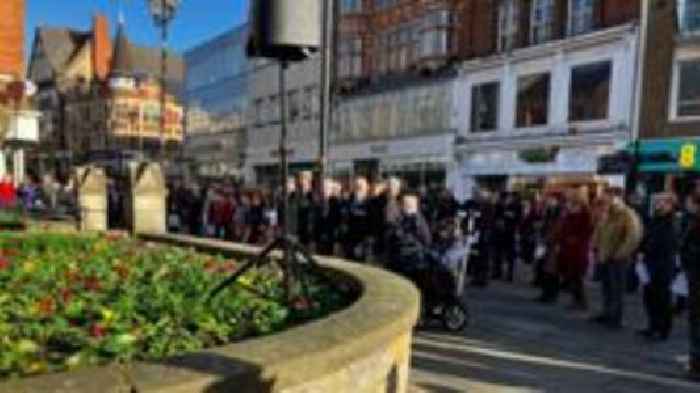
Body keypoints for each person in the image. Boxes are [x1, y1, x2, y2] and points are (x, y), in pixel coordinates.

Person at [591, 188, 643, 329]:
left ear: (617, 197)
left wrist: (621, 253)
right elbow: (599, 230)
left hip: (618, 258)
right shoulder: (607, 213)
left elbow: (634, 236)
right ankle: (607, 313)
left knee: (617, 289)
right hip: (604, 256)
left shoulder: (627, 214)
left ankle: (615, 318)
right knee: (606, 287)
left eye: (608, 197)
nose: (605, 200)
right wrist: (595, 245)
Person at [638, 192, 679, 342]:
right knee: (649, 297)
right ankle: (652, 325)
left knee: (662, 299)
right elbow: (647, 238)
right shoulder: (655, 219)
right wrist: (641, 250)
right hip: (649, 264)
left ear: (670, 205)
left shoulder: (671, 222)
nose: (657, 204)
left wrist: (648, 251)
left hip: (662, 266)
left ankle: (663, 329)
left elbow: (667, 246)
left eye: (661, 202)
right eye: (657, 202)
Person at [555, 188, 594, 310]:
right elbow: (564, 227)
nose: (569, 198)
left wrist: (575, 238)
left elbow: (587, 230)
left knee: (577, 276)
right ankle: (576, 299)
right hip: (567, 247)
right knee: (571, 275)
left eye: (571, 196)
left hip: (578, 248)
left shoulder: (585, 212)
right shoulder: (569, 211)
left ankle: (581, 301)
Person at [387, 193, 432, 278]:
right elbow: (391, 237)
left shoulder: (420, 221)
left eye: (411, 204)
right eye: (406, 204)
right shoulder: (396, 218)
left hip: (415, 260)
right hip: (398, 258)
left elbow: (427, 240)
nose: (409, 206)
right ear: (401, 205)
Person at [342, 176, 371, 261]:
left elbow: (374, 221)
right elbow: (344, 219)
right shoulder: (348, 201)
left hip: (364, 240)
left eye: (361, 185)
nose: (359, 188)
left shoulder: (371, 202)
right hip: (349, 240)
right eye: (357, 185)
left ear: (367, 187)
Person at [311, 178, 342, 256]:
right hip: (319, 238)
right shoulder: (317, 203)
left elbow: (338, 221)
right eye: (323, 188)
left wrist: (337, 240)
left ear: (331, 190)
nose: (325, 191)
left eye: (327, 188)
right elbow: (314, 221)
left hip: (331, 237)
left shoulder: (337, 203)